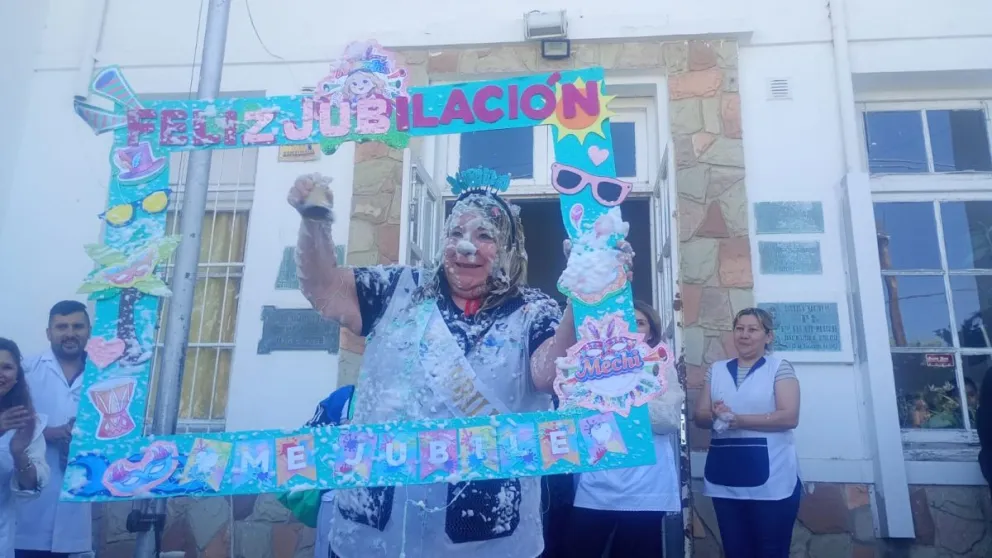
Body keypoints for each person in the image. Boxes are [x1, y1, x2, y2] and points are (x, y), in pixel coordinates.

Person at [288, 169, 634, 558]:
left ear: (507, 247)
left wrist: (584, 295)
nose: (465, 247)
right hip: (372, 533)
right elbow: (325, 290)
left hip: (487, 538)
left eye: (484, 235)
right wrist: (314, 221)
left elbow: (550, 374)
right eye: (456, 233)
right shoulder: (397, 290)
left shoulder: (533, 310)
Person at [565, 300, 682, 558]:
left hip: (646, 487)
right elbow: (573, 416)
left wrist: (621, 397)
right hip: (597, 484)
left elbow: (669, 420)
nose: (632, 328)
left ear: (651, 332)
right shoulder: (590, 366)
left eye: (640, 323)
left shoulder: (661, 368)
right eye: (626, 323)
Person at [693, 307, 801, 558]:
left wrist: (739, 420)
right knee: (735, 550)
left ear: (768, 336)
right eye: (739, 328)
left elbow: (789, 416)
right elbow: (699, 417)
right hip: (726, 474)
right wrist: (715, 415)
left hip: (772, 478)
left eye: (753, 329)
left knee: (770, 551)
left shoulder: (779, 368)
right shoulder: (717, 370)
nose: (744, 335)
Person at [16, 301, 92, 558]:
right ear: (49, 332)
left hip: (83, 499)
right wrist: (50, 432)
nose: (70, 333)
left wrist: (81, 438)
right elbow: (6, 423)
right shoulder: (25, 371)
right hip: (32, 507)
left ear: (88, 330)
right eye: (61, 327)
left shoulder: (104, 374)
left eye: (77, 326)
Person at [0, 339, 50, 558]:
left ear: (18, 374)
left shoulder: (27, 422)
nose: (0, 373)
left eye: (7, 367)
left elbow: (31, 486)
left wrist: (19, 455)